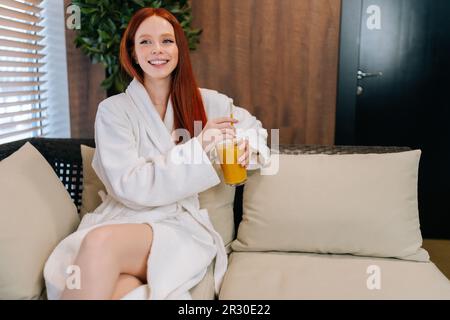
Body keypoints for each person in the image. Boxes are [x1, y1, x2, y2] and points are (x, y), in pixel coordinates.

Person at [43, 7, 270, 300]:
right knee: (123, 291)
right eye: (145, 42)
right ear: (133, 53)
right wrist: (198, 147)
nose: (157, 50)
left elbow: (255, 130)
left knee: (99, 243)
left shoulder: (206, 102)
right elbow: (130, 185)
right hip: (123, 219)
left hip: (177, 227)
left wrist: (247, 148)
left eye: (167, 40)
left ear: (179, 49)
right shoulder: (114, 111)